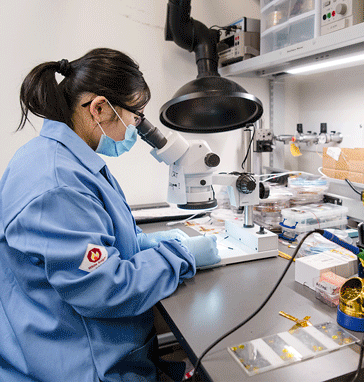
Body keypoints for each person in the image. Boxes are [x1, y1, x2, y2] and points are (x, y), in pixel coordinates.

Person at [0, 48, 221, 381]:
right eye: (136, 116)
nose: (136, 127)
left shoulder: (62, 157)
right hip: (81, 364)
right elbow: (104, 289)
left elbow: (93, 245)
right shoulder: (58, 185)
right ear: (99, 108)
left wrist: (143, 243)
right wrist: (179, 255)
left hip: (65, 341)